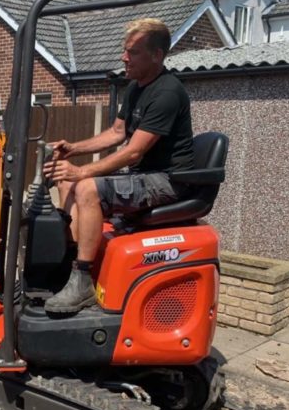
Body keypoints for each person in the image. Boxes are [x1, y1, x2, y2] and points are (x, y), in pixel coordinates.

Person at [42, 18, 194, 314]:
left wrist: (83, 171)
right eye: (125, 51)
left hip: (167, 180)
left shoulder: (167, 92)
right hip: (144, 176)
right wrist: (74, 149)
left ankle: (82, 281)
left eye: (133, 52)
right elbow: (116, 133)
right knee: (66, 181)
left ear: (157, 55)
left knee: (86, 187)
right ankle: (72, 262)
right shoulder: (137, 87)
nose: (124, 57)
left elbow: (133, 152)